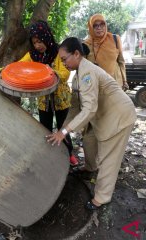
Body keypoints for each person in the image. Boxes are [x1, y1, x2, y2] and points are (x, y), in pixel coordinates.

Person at [46, 37, 136, 210]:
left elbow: (89, 109)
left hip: (118, 117)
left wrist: (65, 132)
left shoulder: (87, 72)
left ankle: (101, 197)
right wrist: (61, 128)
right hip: (102, 115)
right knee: (89, 140)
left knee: (108, 159)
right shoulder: (78, 74)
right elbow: (75, 107)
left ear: (77, 54)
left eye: (64, 59)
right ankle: (89, 167)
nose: (63, 63)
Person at [19, 20, 77, 166]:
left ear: (46, 37)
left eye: (40, 41)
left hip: (61, 99)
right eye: (34, 42)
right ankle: (48, 156)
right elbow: (17, 66)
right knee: (44, 129)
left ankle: (68, 154)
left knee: (63, 129)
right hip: (43, 100)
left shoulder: (58, 52)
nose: (37, 45)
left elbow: (65, 75)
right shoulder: (32, 55)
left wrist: (48, 71)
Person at [84, 14, 129, 91]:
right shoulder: (86, 44)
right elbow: (84, 68)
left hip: (115, 83)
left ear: (105, 25)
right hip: (96, 86)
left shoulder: (115, 39)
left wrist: (124, 81)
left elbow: (121, 61)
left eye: (102, 24)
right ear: (91, 28)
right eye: (95, 25)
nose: (99, 28)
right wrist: (87, 85)